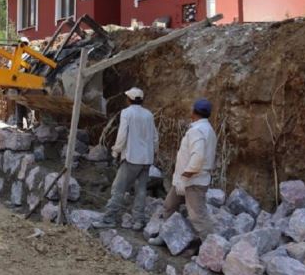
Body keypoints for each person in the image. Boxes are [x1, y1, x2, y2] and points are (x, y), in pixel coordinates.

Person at [149, 98, 217, 246]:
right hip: (186, 180)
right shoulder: (208, 129)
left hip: (192, 181)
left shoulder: (198, 131)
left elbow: (197, 157)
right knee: (169, 206)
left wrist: (187, 173)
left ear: (194, 112)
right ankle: (164, 236)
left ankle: (212, 248)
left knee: (197, 216)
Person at [92, 87, 158, 230]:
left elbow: (122, 136)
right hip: (146, 159)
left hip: (131, 158)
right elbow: (155, 137)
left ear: (129, 100)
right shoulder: (148, 114)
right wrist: (153, 153)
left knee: (118, 189)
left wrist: (116, 151)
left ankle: (109, 218)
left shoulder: (127, 113)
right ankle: (138, 221)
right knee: (141, 190)